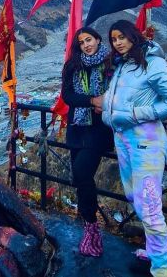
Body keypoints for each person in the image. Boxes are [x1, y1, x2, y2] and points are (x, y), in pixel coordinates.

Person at [102, 20, 167, 277]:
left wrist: (136, 113)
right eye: (114, 38)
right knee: (136, 199)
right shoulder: (122, 66)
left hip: (147, 142)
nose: (118, 42)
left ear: (133, 36)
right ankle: (153, 252)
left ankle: (161, 268)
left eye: (122, 37)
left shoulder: (153, 63)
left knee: (149, 204)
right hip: (125, 142)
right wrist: (109, 114)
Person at [61, 26, 113, 257]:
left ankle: (92, 227)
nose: (86, 45)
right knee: (80, 179)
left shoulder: (111, 64)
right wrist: (93, 100)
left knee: (82, 173)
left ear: (98, 39)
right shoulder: (73, 66)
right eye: (81, 42)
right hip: (77, 129)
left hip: (99, 130)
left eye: (89, 40)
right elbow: (67, 96)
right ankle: (89, 227)